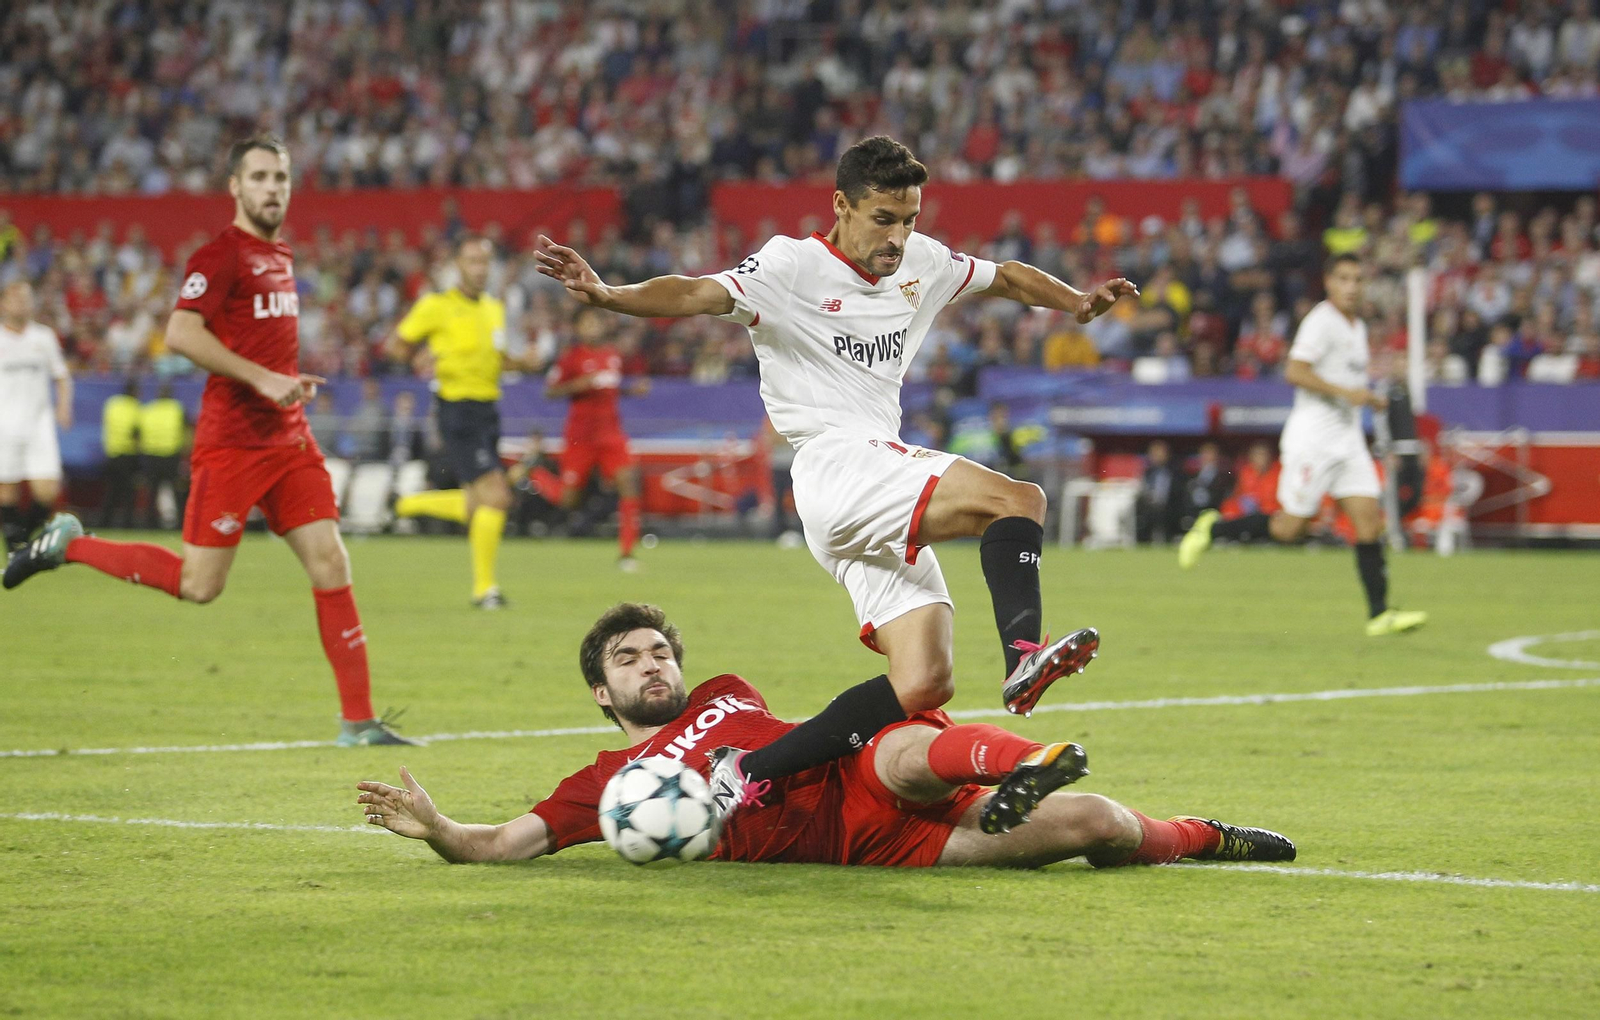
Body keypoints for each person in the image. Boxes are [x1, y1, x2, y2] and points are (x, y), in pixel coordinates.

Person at [533, 136, 1136, 815]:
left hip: (864, 484)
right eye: (883, 218)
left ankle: (746, 771)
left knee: (923, 683)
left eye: (909, 218)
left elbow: (1005, 276)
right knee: (1017, 497)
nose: (899, 236)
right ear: (842, 206)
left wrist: (1077, 301)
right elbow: (697, 294)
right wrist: (611, 295)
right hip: (836, 463)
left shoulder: (923, 263)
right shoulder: (791, 266)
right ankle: (1025, 655)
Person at [356, 603, 1296, 869]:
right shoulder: (603, 788)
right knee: (1101, 826)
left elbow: (802, 739)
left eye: (658, 652)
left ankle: (1053, 769)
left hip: (857, 779)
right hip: (866, 850)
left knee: (888, 743)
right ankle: (1165, 826)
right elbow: (502, 844)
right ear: (602, 692)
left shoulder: (724, 693)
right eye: (628, 662)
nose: (652, 667)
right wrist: (442, 831)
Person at [3, 135, 412, 747]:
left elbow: (260, 344)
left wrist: (284, 382)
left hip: (289, 440)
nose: (273, 187)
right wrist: (263, 378)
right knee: (200, 585)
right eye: (260, 177)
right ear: (235, 187)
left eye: (281, 177)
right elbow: (180, 333)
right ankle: (72, 545)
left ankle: (358, 721)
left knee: (331, 561)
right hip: (232, 444)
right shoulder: (219, 256)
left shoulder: (282, 257)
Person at [1178, 254, 1428, 637]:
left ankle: (1380, 613)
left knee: (1368, 520)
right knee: (1289, 529)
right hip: (1313, 441)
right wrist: (1348, 393)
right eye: (1344, 278)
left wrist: (1367, 396)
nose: (1352, 286)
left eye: (1358, 279)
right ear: (1329, 282)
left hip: (1347, 441)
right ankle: (1213, 529)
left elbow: (1347, 381)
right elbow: (1295, 370)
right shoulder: (1321, 321)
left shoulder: (1356, 325)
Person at [389, 236, 517, 609]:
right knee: (498, 495)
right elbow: (396, 346)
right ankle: (485, 591)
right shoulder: (436, 305)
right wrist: (419, 358)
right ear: (457, 265)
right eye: (472, 260)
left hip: (488, 409)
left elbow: (499, 358)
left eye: (485, 261)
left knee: (479, 506)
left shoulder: (495, 308)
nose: (480, 268)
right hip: (457, 408)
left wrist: (522, 362)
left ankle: (409, 504)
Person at [544, 308, 650, 570]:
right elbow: (550, 391)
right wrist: (580, 384)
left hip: (611, 433)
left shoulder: (612, 355)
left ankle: (626, 554)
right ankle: (534, 472)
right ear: (578, 328)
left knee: (629, 482)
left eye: (596, 322)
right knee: (569, 499)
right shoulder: (571, 358)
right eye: (586, 322)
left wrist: (630, 390)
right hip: (581, 437)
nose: (592, 327)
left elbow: (608, 388)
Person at [0, 281, 73, 553]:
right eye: (15, 298)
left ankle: (22, 538)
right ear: (3, 303)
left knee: (48, 491)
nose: (21, 303)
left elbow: (62, 375)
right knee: (6, 490)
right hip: (4, 424)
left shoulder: (43, 337)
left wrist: (64, 406)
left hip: (39, 424)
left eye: (26, 298)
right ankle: (15, 549)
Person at [138, 381, 187, 529]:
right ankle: (181, 523)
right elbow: (185, 430)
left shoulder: (148, 409)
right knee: (177, 491)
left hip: (152, 455)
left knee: (152, 491)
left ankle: (150, 524)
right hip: (171, 456)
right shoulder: (177, 408)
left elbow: (139, 433)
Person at [99, 378, 143, 530]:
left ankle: (105, 522)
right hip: (128, 454)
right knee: (129, 492)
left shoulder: (111, 404)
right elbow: (136, 432)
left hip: (111, 453)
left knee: (112, 491)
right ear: (134, 392)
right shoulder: (135, 407)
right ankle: (127, 524)